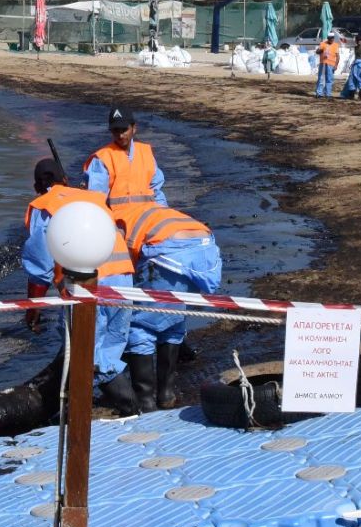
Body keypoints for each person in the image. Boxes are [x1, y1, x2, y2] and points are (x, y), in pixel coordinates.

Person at [120, 204, 222, 410]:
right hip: (203, 247)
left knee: (142, 323)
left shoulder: (116, 220)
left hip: (166, 254)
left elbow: (123, 264)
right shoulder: (146, 209)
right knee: (174, 317)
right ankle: (166, 394)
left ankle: (145, 399)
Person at [20, 156, 108, 330]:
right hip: (122, 277)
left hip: (87, 281)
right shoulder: (93, 196)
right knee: (127, 340)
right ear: (65, 180)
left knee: (79, 339)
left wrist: (32, 312)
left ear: (36, 188)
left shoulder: (44, 205)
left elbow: (41, 266)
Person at [86, 106, 167, 216]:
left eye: (124, 130)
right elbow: (96, 198)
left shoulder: (146, 153)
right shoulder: (102, 159)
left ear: (134, 128)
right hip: (118, 220)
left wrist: (163, 213)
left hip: (146, 218)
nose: (120, 135)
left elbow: (157, 192)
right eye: (116, 130)